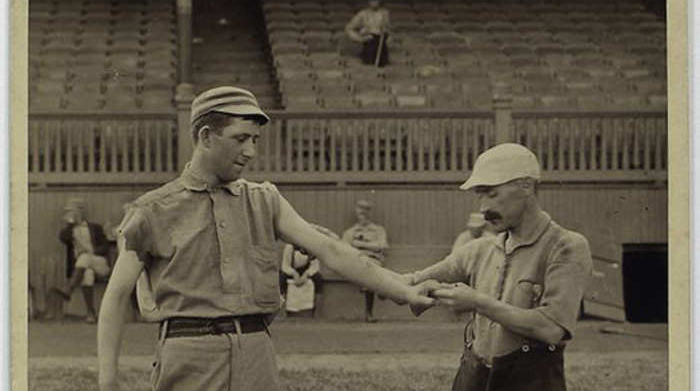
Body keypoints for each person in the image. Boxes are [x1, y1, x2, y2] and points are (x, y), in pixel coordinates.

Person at [97, 86, 437, 391]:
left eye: (255, 140)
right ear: (205, 137)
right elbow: (115, 299)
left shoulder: (265, 200)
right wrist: (108, 379)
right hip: (189, 354)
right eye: (241, 138)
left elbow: (330, 250)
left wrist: (403, 291)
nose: (251, 151)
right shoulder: (152, 210)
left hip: (256, 351)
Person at [405, 143, 593, 391]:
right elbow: (409, 281)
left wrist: (477, 302)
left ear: (526, 186)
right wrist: (339, 253)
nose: (483, 208)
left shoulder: (565, 246)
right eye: (480, 196)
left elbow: (551, 329)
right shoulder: (480, 249)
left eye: (491, 194)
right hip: (473, 378)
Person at [56, 198, 111, 323]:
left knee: (85, 257)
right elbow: (63, 238)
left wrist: (93, 252)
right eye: (69, 212)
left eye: (73, 211)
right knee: (87, 274)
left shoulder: (95, 228)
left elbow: (105, 247)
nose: (72, 214)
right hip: (84, 267)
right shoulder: (70, 231)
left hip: (100, 263)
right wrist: (70, 224)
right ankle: (91, 313)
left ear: (80, 212)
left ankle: (69, 290)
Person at [342, 199, 389, 322]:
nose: (363, 214)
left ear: (369, 213)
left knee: (371, 268)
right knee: (367, 268)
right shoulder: (350, 232)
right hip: (358, 262)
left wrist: (358, 244)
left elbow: (383, 246)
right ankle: (381, 288)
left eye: (366, 211)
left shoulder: (378, 230)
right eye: (360, 211)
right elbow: (343, 250)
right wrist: (372, 246)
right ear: (356, 213)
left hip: (375, 261)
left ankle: (376, 291)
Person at [345, 0, 391, 67]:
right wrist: (360, 38)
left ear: (380, 1)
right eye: (372, 0)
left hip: (381, 44)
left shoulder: (385, 13)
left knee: (383, 65)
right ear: (368, 1)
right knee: (368, 64)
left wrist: (386, 32)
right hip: (369, 42)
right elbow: (349, 28)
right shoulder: (363, 14)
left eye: (376, 0)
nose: (374, 3)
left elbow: (388, 29)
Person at [279, 242, 323, 317]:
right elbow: (285, 265)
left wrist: (306, 274)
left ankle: (317, 312)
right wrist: (294, 274)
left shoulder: (311, 247)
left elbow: (315, 266)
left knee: (318, 278)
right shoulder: (289, 248)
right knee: (282, 278)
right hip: (292, 271)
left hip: (306, 271)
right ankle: (281, 311)